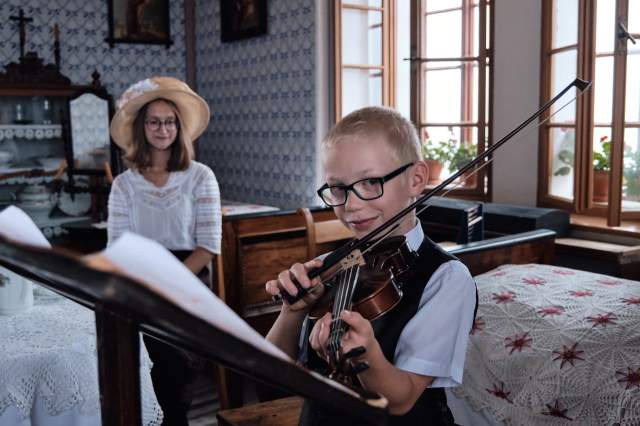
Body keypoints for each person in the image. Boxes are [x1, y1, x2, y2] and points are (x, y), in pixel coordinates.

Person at [265, 106, 477, 425]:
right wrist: (292, 312)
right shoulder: (330, 265)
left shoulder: (446, 279)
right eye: (337, 189)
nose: (351, 205)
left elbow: (402, 400)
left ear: (416, 179)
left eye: (369, 183)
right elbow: (271, 374)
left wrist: (365, 355)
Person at [107, 76, 221, 426]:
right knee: (157, 363)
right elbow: (118, 248)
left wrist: (170, 282)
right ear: (142, 128)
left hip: (189, 278)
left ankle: (173, 417)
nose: (163, 129)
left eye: (170, 121)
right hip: (141, 281)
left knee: (176, 364)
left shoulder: (201, 176)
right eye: (154, 122)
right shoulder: (124, 185)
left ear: (179, 127)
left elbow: (208, 245)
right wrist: (148, 284)